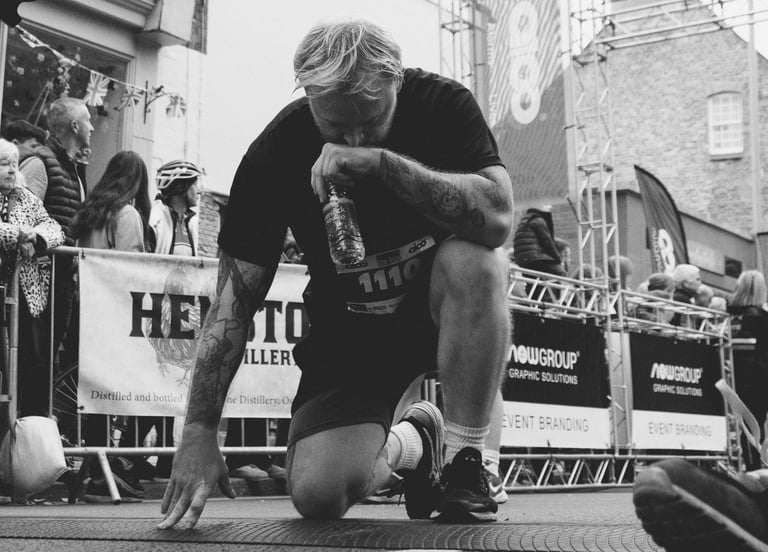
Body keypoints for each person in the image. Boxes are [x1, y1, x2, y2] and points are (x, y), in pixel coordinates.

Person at [159, 19, 513, 529]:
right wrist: (199, 430)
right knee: (318, 495)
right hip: (352, 334)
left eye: (371, 120)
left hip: (440, 309)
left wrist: (383, 164)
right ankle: (417, 441)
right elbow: (233, 306)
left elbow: (498, 218)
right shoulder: (275, 153)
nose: (354, 137)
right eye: (336, 126)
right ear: (309, 99)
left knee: (477, 259)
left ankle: (466, 462)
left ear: (397, 81)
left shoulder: (442, 104)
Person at [69, 150, 153, 502]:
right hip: (115, 312)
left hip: (85, 307)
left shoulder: (92, 212)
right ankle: (112, 468)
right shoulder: (126, 214)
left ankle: (96, 468)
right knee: (136, 386)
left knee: (95, 393)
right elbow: (132, 265)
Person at [0, 139, 65, 418]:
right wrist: (18, 234)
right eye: (4, 164)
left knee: (29, 359)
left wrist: (36, 238)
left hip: (24, 293)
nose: (11, 170)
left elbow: (55, 228)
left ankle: (24, 425)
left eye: (14, 164)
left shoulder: (26, 197)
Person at [727, 270, 768, 470]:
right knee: (755, 424)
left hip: (734, 376)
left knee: (747, 424)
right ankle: (755, 467)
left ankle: (752, 465)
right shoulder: (761, 317)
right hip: (759, 378)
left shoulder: (728, 315)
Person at [0, 120, 49, 201]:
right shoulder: (34, 164)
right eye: (33, 146)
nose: (38, 152)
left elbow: (29, 204)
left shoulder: (36, 164)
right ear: (15, 144)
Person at [512, 205, 566, 277]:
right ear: (539, 207)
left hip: (523, 261)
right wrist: (559, 259)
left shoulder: (525, 221)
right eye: (546, 204)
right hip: (535, 258)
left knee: (534, 282)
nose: (550, 206)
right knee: (561, 273)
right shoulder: (538, 220)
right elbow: (547, 243)